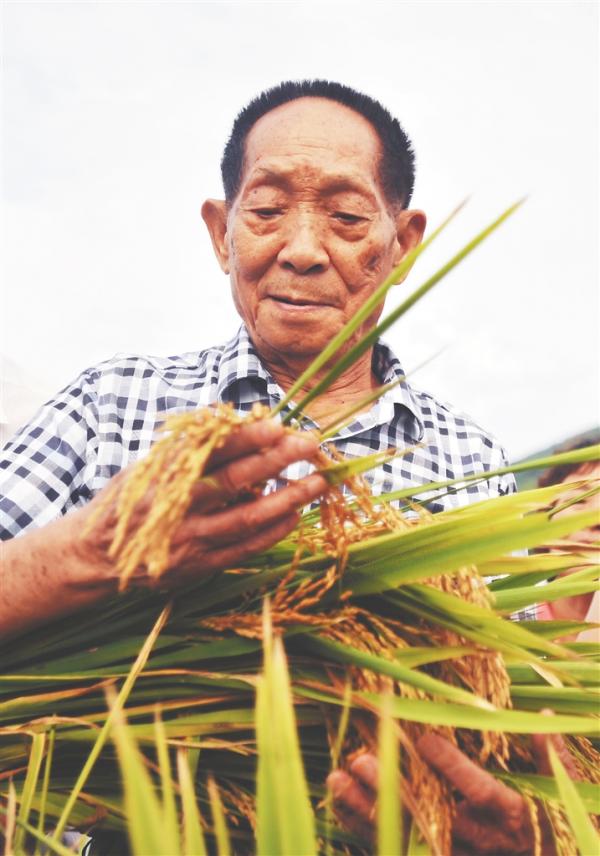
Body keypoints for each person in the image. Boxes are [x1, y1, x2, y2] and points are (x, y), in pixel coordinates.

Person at [0, 80, 582, 854]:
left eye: (345, 218)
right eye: (268, 211)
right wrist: (93, 550)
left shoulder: (469, 464)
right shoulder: (116, 405)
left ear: (403, 243)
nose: (302, 250)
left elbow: (504, 734)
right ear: (221, 232)